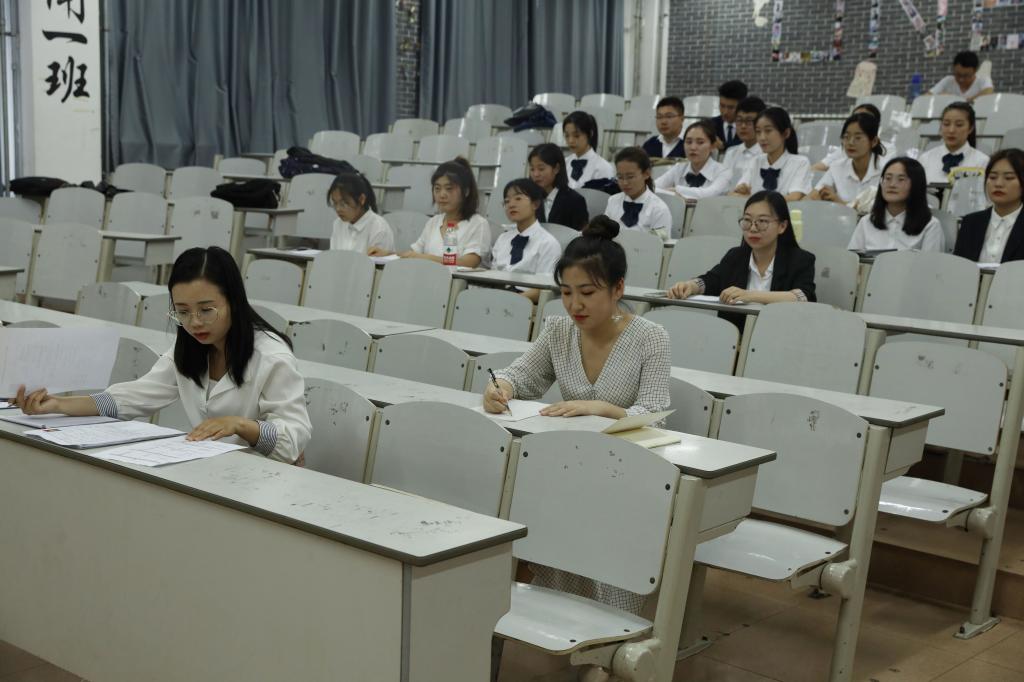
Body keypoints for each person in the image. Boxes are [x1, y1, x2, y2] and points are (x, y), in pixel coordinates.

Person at [484, 217, 670, 613]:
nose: (575, 305)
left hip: (628, 473)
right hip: (572, 465)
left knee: (595, 523)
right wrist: (500, 388)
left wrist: (602, 409)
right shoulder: (559, 330)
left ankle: (614, 623)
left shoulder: (650, 337)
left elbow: (656, 415)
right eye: (566, 292)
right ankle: (559, 611)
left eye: (587, 292)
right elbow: (522, 375)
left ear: (618, 289)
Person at [12, 247, 312, 464]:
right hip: (214, 468)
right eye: (182, 312)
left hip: (264, 478)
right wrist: (58, 404)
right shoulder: (190, 348)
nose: (194, 322)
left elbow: (293, 440)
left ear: (233, 301)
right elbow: (131, 398)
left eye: (206, 310)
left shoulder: (271, 356)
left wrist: (240, 425)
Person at [668, 190, 816, 305]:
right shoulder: (736, 256)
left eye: (762, 221)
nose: (753, 228)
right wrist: (690, 286)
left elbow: (802, 296)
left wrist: (748, 295)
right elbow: (711, 280)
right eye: (747, 220)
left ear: (782, 226)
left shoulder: (800, 259)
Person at [369, 158, 491, 267]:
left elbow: (469, 263)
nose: (442, 194)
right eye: (437, 188)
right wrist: (387, 254)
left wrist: (424, 258)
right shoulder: (434, 222)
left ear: (466, 191)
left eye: (449, 189)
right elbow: (413, 254)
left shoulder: (478, 224)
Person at [848, 157, 945, 252]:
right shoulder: (866, 222)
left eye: (901, 179)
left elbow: (930, 262)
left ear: (916, 184)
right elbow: (852, 259)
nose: (892, 185)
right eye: (888, 178)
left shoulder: (930, 226)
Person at [491, 178, 562, 302]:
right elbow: (492, 277)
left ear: (535, 204)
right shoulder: (503, 239)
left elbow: (545, 288)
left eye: (518, 198)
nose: (511, 205)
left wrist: (512, 301)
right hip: (498, 297)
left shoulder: (548, 243)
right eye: (507, 201)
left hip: (527, 302)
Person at [954, 148, 1024, 263]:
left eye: (1009, 178)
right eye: (992, 177)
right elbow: (959, 267)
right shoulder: (970, 223)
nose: (998, 184)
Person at [809, 112, 887, 209]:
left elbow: (881, 211)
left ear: (874, 141)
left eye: (858, 138)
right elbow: (813, 196)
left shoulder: (886, 169)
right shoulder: (837, 167)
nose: (850, 142)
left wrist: (839, 202)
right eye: (846, 137)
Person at [732, 107, 812, 201]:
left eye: (768, 131)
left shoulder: (800, 163)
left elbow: (794, 198)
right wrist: (742, 191)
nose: (762, 137)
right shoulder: (755, 161)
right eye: (758, 132)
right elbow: (735, 194)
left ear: (786, 133)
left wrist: (752, 200)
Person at [604, 147, 673, 240]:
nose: (625, 182)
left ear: (646, 174)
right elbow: (604, 236)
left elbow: (659, 245)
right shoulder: (613, 201)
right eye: (620, 177)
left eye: (630, 177)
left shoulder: (659, 209)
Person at [655, 119, 732, 199]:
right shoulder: (679, 168)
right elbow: (652, 187)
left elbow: (709, 194)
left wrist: (676, 190)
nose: (693, 147)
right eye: (688, 142)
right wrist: (672, 193)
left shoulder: (723, 172)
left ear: (712, 146)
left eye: (700, 142)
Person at [917, 102, 990, 184]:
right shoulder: (925, 159)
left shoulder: (982, 161)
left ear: (970, 128)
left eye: (959, 125)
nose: (951, 130)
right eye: (946, 124)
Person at [326, 172, 394, 253]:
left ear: (361, 199)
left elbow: (378, 260)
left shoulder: (379, 228)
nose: (338, 209)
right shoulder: (338, 224)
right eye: (335, 203)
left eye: (343, 204)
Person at [527, 142, 589, 231]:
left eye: (541, 169)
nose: (536, 174)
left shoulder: (575, 201)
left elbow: (580, 236)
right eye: (532, 169)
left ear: (556, 168)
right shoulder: (529, 199)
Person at [811, 103, 883, 172]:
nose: (851, 142)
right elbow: (819, 167)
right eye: (854, 118)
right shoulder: (843, 155)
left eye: (858, 138)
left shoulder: (884, 159)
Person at [562, 111, 614, 190]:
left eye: (576, 136)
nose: (570, 141)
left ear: (590, 134)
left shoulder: (603, 167)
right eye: (567, 135)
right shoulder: (564, 163)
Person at [722, 96, 767, 184]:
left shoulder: (767, 154)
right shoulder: (731, 153)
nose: (743, 126)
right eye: (739, 120)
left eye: (749, 121)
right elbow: (722, 183)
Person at [927, 50, 994, 103]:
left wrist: (960, 101)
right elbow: (927, 96)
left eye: (966, 76)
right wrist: (938, 97)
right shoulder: (948, 80)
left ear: (975, 71)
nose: (961, 79)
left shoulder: (983, 80)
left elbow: (988, 92)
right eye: (958, 74)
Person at [711, 80, 749, 151]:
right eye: (722, 106)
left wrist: (724, 146)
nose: (725, 112)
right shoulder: (710, 125)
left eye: (731, 107)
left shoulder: (751, 127)